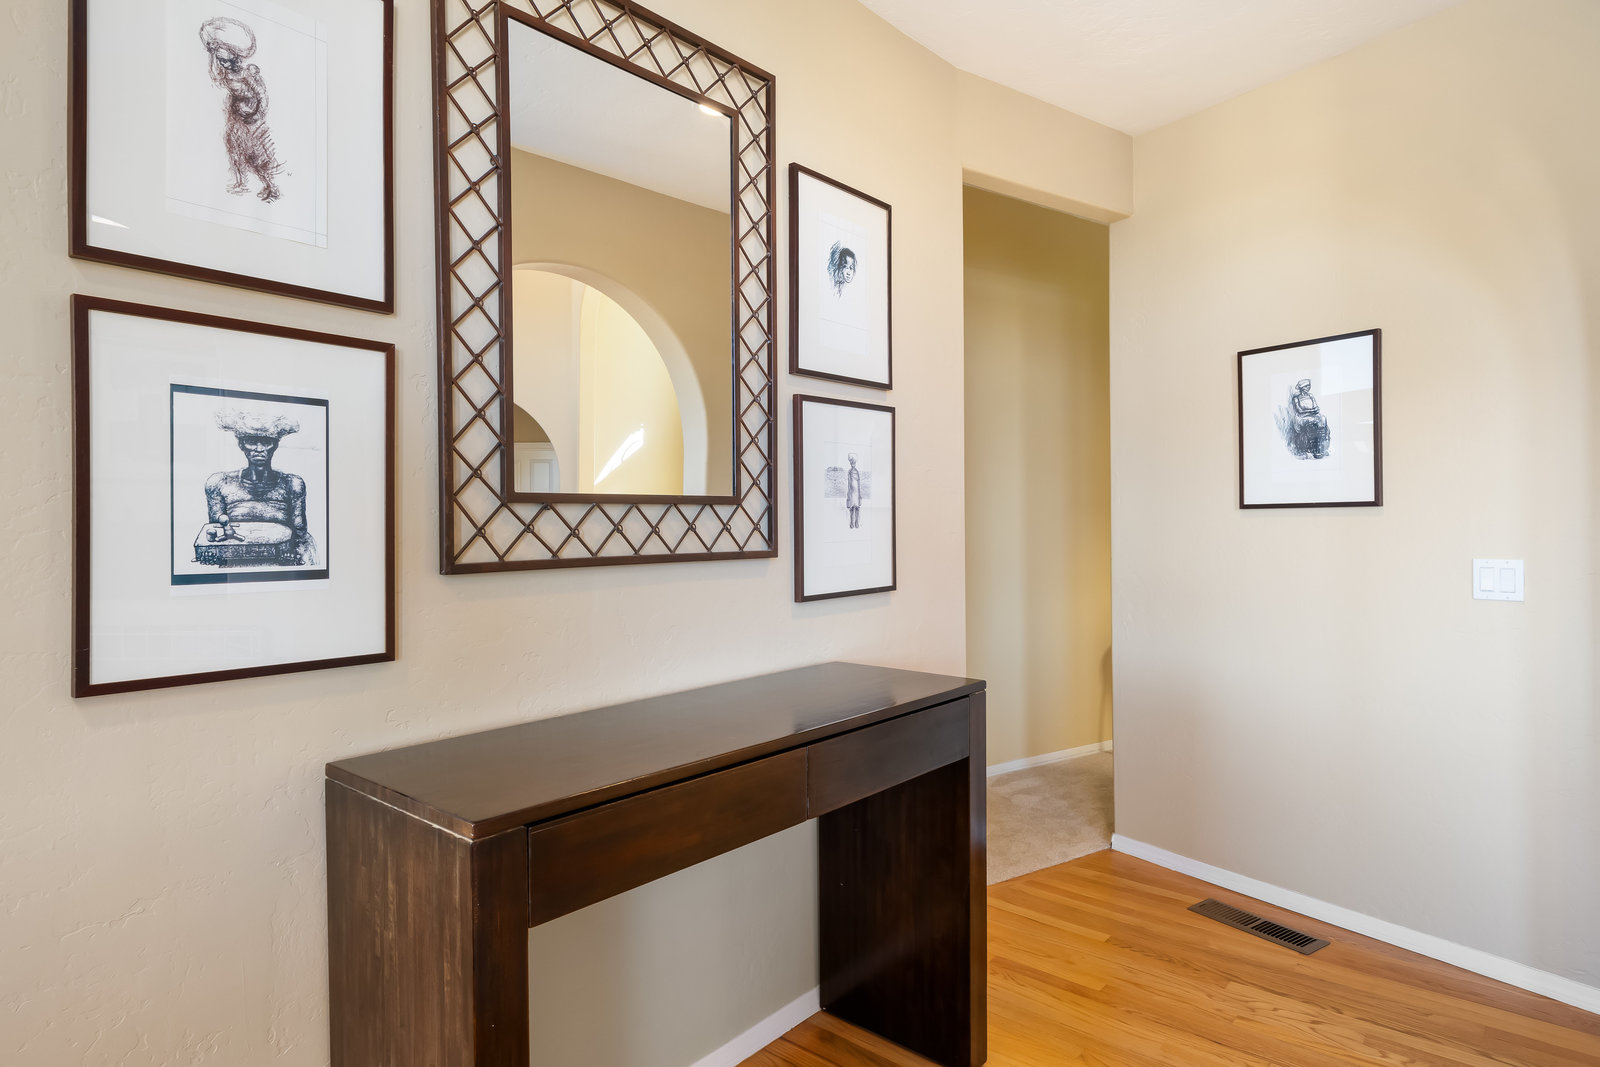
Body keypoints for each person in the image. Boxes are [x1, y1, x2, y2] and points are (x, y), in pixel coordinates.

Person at [200, 410, 316, 566]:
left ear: (275, 445)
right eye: (252, 441)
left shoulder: (292, 484)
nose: (259, 448)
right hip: (235, 563)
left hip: (282, 564)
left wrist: (294, 553)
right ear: (241, 445)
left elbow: (300, 533)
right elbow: (214, 531)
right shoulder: (219, 483)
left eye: (266, 442)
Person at [200, 17, 284, 203]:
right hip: (237, 118)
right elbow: (215, 75)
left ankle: (271, 186)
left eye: (226, 60)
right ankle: (240, 181)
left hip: (252, 121)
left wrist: (256, 114)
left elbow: (261, 95)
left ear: (234, 57)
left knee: (256, 157)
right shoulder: (225, 73)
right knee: (233, 148)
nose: (223, 64)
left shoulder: (247, 73)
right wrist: (212, 53)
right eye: (220, 60)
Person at [845, 453, 862, 529]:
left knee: (857, 508)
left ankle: (856, 523)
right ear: (850, 464)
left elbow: (859, 483)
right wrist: (848, 494)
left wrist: (860, 495)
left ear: (855, 463)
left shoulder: (857, 472)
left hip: (857, 492)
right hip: (851, 492)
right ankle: (852, 523)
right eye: (851, 463)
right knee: (852, 509)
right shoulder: (849, 472)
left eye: (854, 463)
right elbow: (849, 484)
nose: (853, 464)